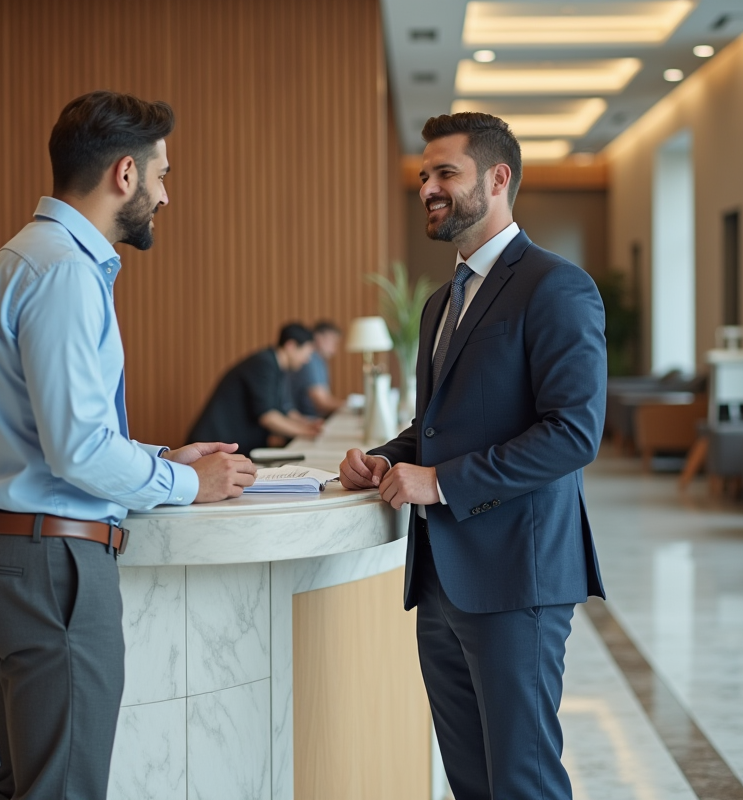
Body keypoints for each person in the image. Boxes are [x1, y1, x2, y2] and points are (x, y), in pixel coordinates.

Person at [0, 90, 257, 800]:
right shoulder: (64, 269)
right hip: (53, 563)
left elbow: (55, 431)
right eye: (162, 175)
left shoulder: (30, 256)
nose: (165, 195)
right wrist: (191, 484)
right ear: (125, 173)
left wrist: (159, 460)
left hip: (21, 553)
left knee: (27, 787)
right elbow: (79, 450)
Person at [338, 112, 606, 800]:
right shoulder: (439, 303)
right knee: (471, 784)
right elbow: (439, 426)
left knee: (521, 783)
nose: (427, 187)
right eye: (424, 175)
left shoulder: (555, 285)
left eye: (445, 173)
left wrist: (440, 482)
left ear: (496, 178)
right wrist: (383, 458)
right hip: (441, 580)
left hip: (518, 577)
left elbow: (573, 433)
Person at [189, 323, 324, 454]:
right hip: (214, 445)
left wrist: (307, 424)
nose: (307, 360)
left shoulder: (277, 367)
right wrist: (306, 432)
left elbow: (284, 410)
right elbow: (267, 416)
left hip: (229, 446)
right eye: (306, 353)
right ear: (291, 346)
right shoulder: (264, 364)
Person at [288, 320, 344, 417]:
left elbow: (326, 398)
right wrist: (351, 406)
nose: (334, 349)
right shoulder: (310, 360)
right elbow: (322, 403)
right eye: (332, 341)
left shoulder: (319, 361)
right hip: (307, 419)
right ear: (318, 337)